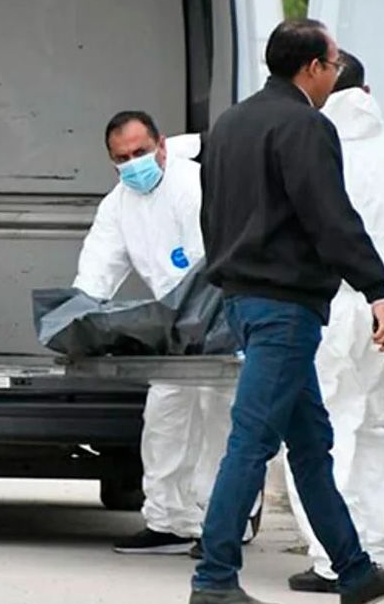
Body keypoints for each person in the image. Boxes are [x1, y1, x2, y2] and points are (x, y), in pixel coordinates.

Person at [190, 19, 384, 604]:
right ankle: (213, 580)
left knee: (311, 442)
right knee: (252, 441)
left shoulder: (229, 125)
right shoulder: (306, 126)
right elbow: (330, 216)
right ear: (312, 68)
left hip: (243, 300)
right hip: (285, 308)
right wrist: (376, 288)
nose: (336, 76)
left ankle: (355, 570)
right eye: (334, 65)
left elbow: (209, 216)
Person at [284, 51, 384, 593]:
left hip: (330, 306)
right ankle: (373, 547)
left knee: (321, 429)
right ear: (367, 92)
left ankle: (332, 558)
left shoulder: (308, 147)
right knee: (378, 427)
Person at [74, 111, 256, 557]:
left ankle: (223, 522)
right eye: (122, 158)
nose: (133, 163)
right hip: (175, 330)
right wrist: (78, 315)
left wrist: (200, 318)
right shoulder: (118, 204)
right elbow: (100, 265)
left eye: (140, 152)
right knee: (165, 419)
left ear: (161, 146)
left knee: (220, 419)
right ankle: (168, 521)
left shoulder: (194, 186)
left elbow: (209, 261)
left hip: (221, 321)